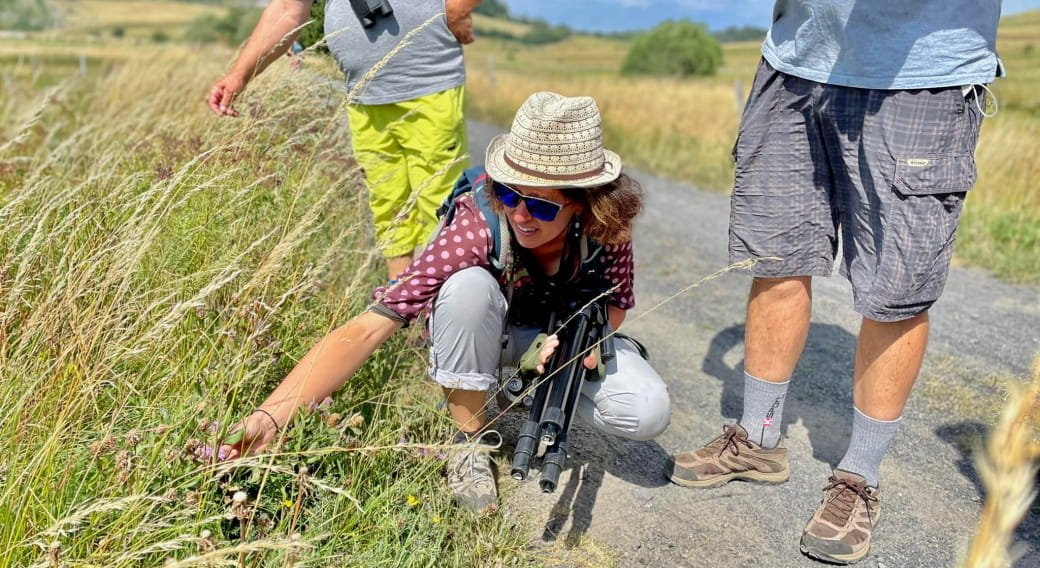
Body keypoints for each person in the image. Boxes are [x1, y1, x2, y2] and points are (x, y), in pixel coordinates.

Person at [214, 92, 671, 513]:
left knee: (647, 409)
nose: (519, 214)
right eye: (510, 194)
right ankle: (468, 441)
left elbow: (616, 301)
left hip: (554, 339)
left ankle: (532, 390)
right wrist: (271, 416)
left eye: (542, 206)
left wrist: (577, 347)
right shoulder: (478, 221)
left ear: (584, 204)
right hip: (482, 332)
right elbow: (371, 326)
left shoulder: (607, 229)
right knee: (467, 288)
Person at [668, 1, 1002, 564]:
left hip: (920, 76)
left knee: (896, 290)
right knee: (775, 258)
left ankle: (858, 478)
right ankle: (758, 438)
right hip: (796, 60)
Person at [207, 0, 483, 280]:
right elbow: (287, 10)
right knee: (388, 208)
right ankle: (398, 309)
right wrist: (238, 75)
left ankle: (449, 310)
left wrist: (455, 8)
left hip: (427, 84)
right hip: (363, 94)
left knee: (442, 205)